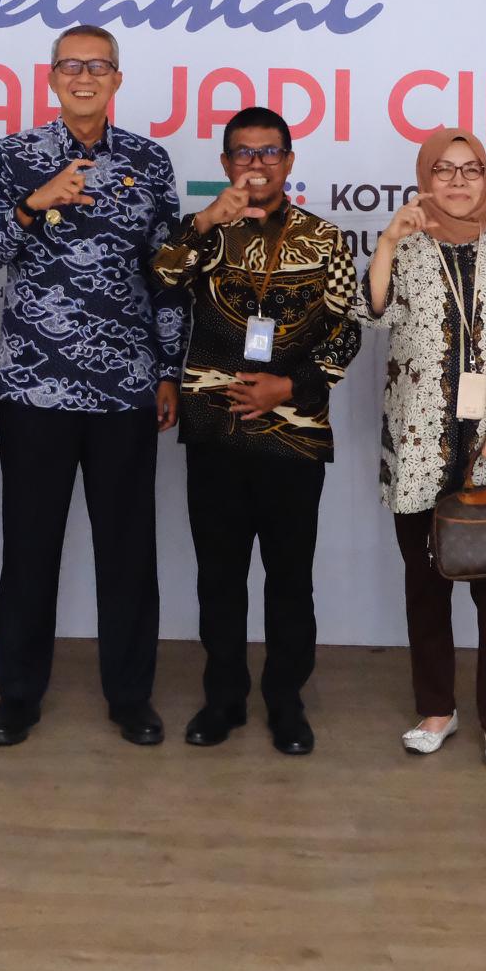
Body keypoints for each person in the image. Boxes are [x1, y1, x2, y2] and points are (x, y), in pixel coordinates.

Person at [0, 24, 183, 748]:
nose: (84, 76)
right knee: (30, 548)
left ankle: (131, 697)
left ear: (117, 79)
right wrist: (34, 202)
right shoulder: (12, 155)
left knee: (128, 552)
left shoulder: (149, 160)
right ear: (52, 77)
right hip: (36, 387)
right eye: (71, 65)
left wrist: (168, 369)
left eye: (98, 66)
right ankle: (17, 697)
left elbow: (168, 274)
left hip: (125, 388)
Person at [153, 107, 358, 756]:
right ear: (225, 163)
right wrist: (203, 222)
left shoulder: (326, 239)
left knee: (290, 577)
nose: (257, 164)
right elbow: (159, 279)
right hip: (214, 429)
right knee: (219, 575)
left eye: (270, 152)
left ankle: (286, 701)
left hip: (293, 432)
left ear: (289, 162)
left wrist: (288, 387)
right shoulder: (207, 232)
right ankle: (223, 698)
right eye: (243, 153)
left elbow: (346, 331)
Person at [366, 130, 486, 773]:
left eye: (470, 169)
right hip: (418, 444)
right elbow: (372, 314)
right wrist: (387, 243)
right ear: (424, 179)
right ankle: (436, 710)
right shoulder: (405, 247)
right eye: (443, 170)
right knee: (425, 588)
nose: (457, 181)